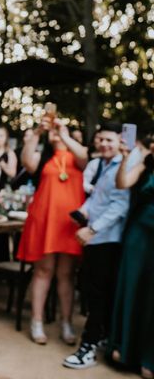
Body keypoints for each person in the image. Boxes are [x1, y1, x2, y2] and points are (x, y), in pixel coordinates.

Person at [63, 122, 131, 370]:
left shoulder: (123, 165)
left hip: (108, 238)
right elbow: (95, 199)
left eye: (109, 140)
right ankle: (101, 337)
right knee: (94, 292)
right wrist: (82, 213)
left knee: (99, 294)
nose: (104, 144)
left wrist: (92, 228)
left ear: (120, 142)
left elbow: (119, 206)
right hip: (93, 236)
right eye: (100, 139)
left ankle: (88, 347)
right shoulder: (99, 164)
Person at [17, 115, 88, 346]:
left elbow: (85, 158)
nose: (55, 132)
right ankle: (36, 321)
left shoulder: (76, 156)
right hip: (45, 220)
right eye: (53, 131)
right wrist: (37, 133)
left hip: (69, 224)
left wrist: (64, 135)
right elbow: (27, 162)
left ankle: (66, 322)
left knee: (66, 274)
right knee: (43, 271)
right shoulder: (44, 155)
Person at [108, 129, 154, 379]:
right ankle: (125, 349)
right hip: (139, 234)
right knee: (134, 286)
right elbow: (122, 183)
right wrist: (126, 157)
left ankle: (149, 357)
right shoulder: (145, 165)